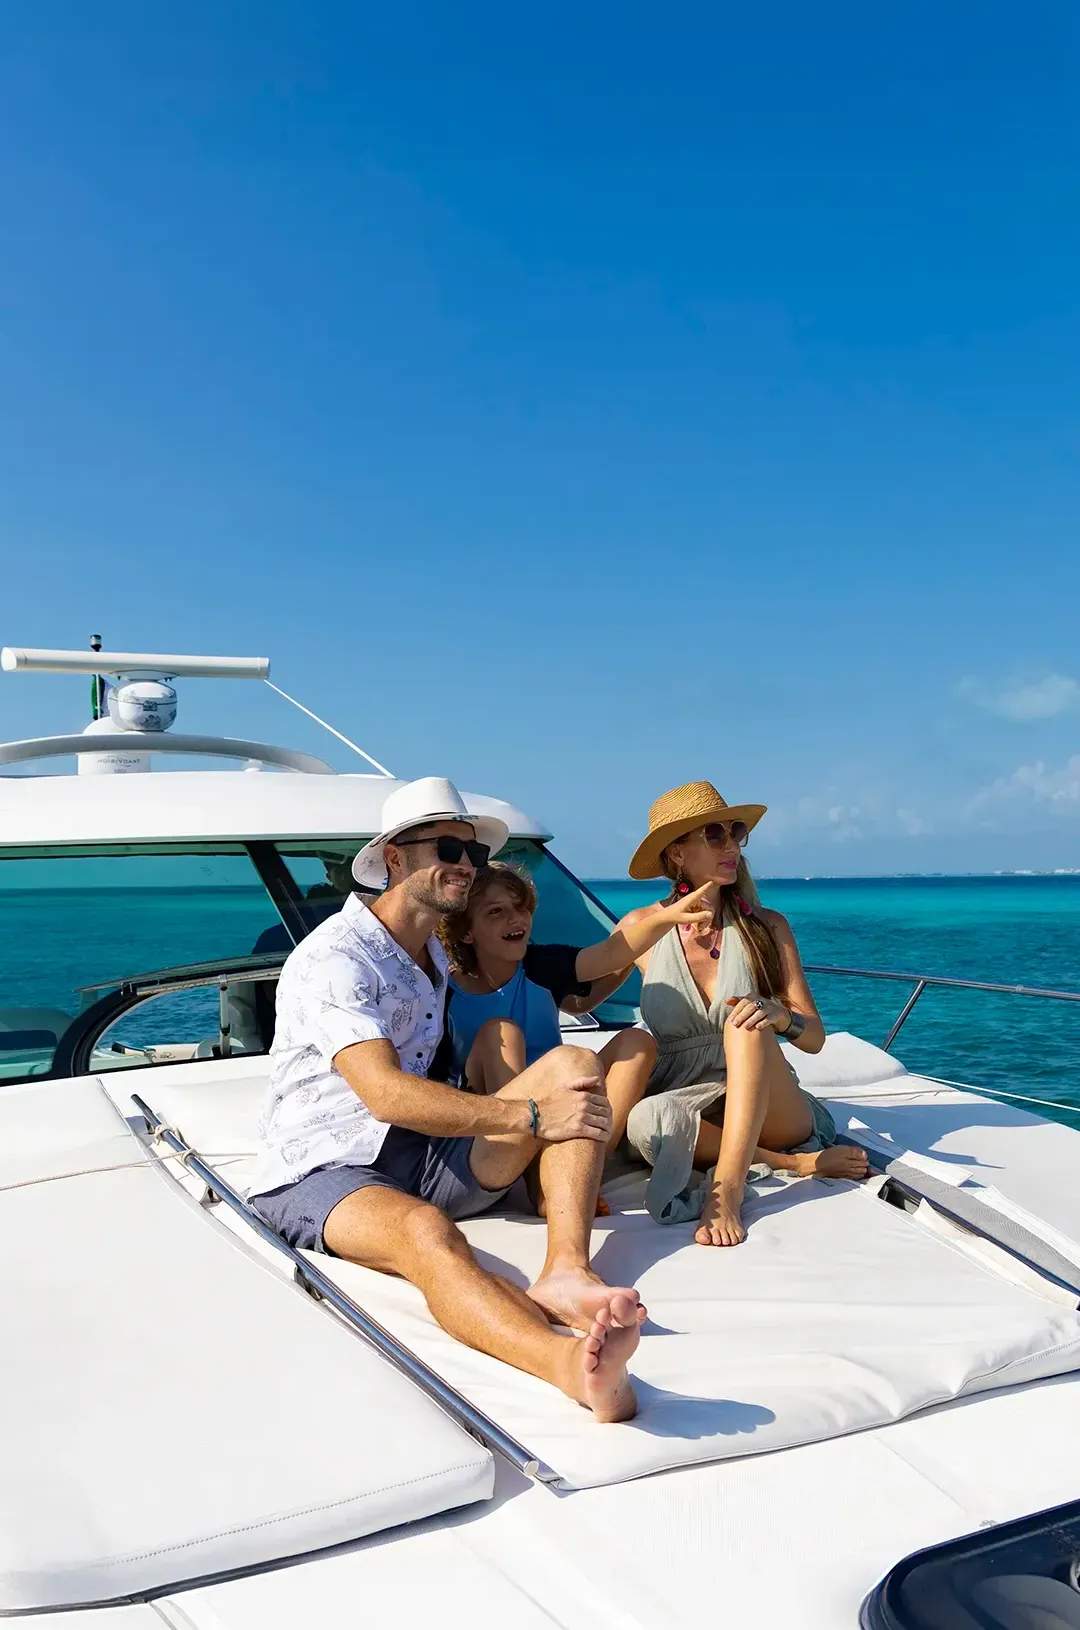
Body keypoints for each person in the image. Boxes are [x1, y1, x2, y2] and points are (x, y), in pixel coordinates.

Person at [247, 776, 644, 1423]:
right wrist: (530, 1117)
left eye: (474, 852)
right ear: (395, 859)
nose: (466, 864)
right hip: (324, 1166)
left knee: (573, 1066)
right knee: (425, 1231)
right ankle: (568, 1366)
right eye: (448, 850)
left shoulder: (430, 952)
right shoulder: (337, 959)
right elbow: (383, 1093)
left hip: (423, 1154)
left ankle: (566, 1271)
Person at [622, 780, 868, 1247]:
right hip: (691, 1098)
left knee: (746, 1019)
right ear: (677, 853)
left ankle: (727, 1191)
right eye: (714, 835)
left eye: (736, 832)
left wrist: (778, 1015)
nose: (732, 846)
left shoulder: (767, 926)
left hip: (772, 1102)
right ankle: (794, 1164)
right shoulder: (642, 928)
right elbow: (581, 987)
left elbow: (815, 1039)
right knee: (647, 1120)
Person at [438, 860, 717, 1162]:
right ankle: (520, 1160)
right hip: (497, 1120)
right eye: (496, 912)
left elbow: (609, 955)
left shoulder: (540, 966)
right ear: (466, 932)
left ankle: (592, 1159)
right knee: (501, 1033)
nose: (515, 918)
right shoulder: (442, 993)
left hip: (560, 1095)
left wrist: (668, 916)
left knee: (636, 1042)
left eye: (521, 908)